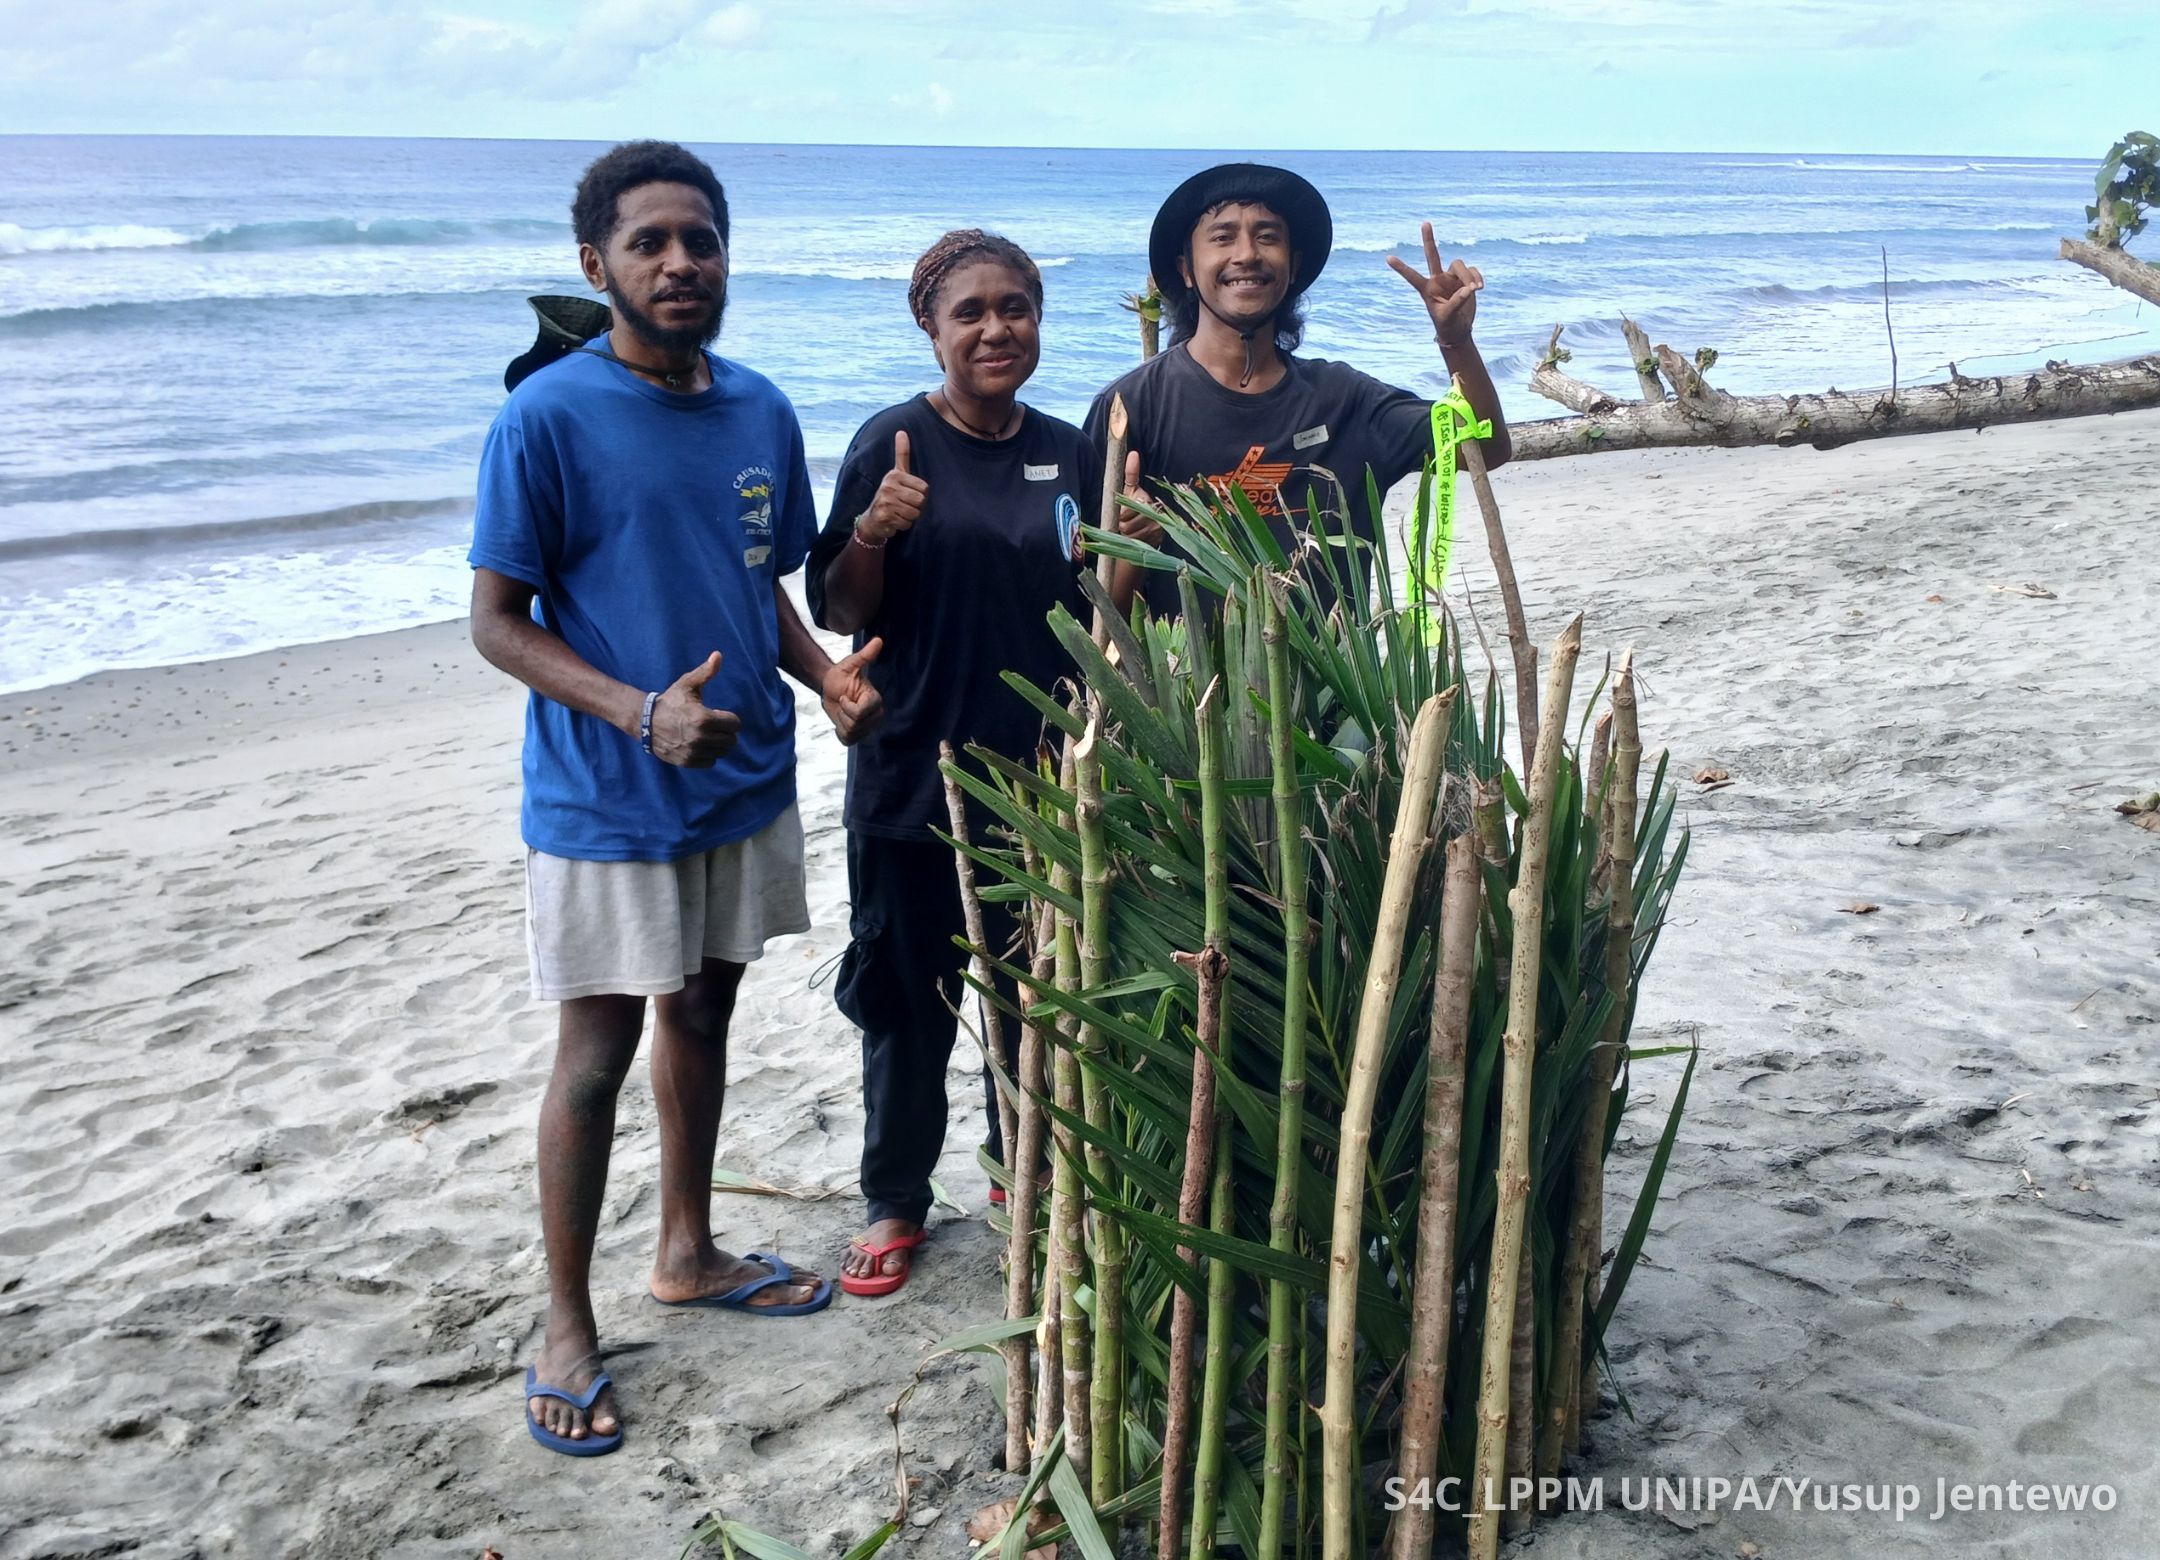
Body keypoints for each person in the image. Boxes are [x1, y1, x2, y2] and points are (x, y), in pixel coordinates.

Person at [468, 140, 884, 1457]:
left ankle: (689, 1251)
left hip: (745, 774)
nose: (679, 262)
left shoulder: (761, 409)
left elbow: (750, 578)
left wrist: (819, 675)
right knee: (591, 1059)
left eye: (698, 239)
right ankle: (565, 1321)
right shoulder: (546, 417)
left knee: (703, 1008)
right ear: (598, 266)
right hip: (606, 796)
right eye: (648, 243)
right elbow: (496, 621)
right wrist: (638, 710)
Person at [807, 230, 1107, 1299]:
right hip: (912, 782)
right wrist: (876, 531)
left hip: (1046, 788)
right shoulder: (891, 441)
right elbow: (836, 609)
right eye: (970, 311)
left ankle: (1017, 1176)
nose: (996, 329)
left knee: (1035, 1002)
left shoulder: (1075, 451)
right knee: (907, 1004)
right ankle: (894, 1201)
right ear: (928, 326)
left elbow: (1102, 605)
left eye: (1015, 307)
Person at [1085, 162, 1512, 616]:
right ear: (1186, 270)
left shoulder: (1345, 400)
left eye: (1268, 236)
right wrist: (1128, 546)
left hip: (1337, 684)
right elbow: (1093, 616)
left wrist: (1456, 340)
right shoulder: (1131, 408)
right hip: (1189, 686)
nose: (1247, 253)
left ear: (1294, 266)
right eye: (1222, 237)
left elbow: (1484, 449)